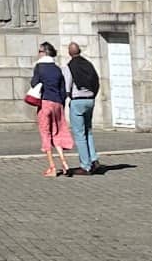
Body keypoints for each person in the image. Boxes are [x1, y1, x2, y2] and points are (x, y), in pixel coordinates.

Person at [30, 40, 73, 177]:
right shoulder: (57, 68)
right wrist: (61, 104)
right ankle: (64, 163)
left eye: (39, 51)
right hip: (57, 104)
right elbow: (63, 89)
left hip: (45, 102)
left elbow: (34, 83)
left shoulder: (39, 67)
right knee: (57, 133)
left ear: (44, 53)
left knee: (45, 134)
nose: (38, 54)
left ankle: (52, 167)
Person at [66, 41, 103, 175]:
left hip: (77, 101)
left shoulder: (70, 66)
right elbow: (96, 81)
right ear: (79, 51)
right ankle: (94, 159)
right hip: (90, 99)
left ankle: (85, 165)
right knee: (88, 131)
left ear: (69, 53)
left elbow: (67, 85)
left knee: (79, 134)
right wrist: (93, 95)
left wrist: (69, 97)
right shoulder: (88, 64)